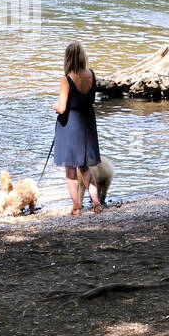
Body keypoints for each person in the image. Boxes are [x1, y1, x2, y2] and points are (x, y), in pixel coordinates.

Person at [52, 41, 104, 216]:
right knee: (85, 167)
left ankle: (76, 207)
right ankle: (96, 204)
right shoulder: (91, 75)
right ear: (83, 57)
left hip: (71, 125)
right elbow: (91, 100)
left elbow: (62, 108)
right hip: (87, 123)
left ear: (67, 58)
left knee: (70, 170)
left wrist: (55, 105)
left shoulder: (66, 79)